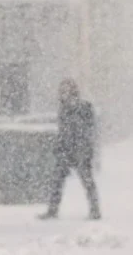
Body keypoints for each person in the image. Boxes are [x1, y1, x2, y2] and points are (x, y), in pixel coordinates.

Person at [40, 78, 101, 221]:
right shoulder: (64, 109)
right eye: (62, 91)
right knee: (58, 181)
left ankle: (94, 210)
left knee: (86, 181)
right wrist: (60, 147)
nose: (63, 94)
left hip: (79, 150)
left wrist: (83, 147)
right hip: (67, 150)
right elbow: (64, 131)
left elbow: (86, 130)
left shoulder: (83, 107)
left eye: (66, 90)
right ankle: (53, 210)